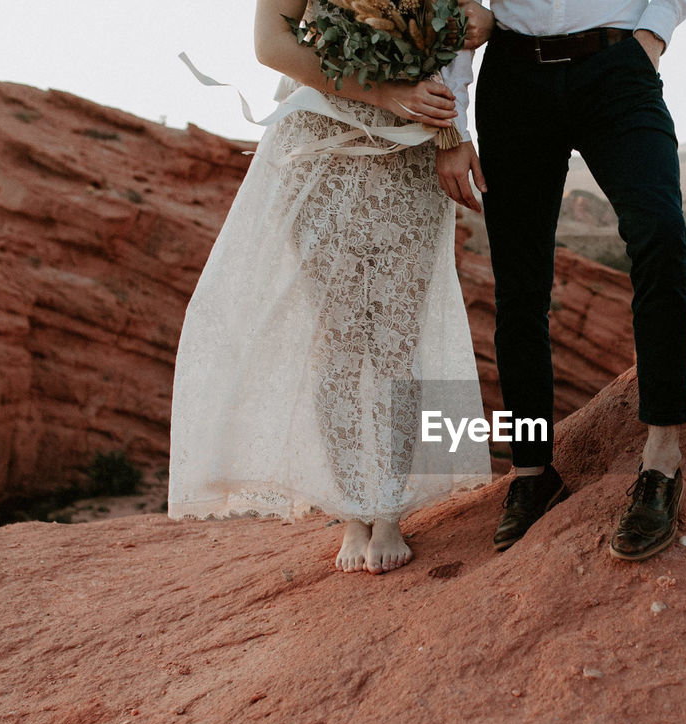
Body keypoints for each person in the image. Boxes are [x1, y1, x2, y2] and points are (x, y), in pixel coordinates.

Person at [167, 0, 496, 573]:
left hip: (411, 146)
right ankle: (352, 510)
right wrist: (379, 92)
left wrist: (455, 126)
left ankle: (390, 508)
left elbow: (458, 44)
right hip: (326, 142)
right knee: (340, 334)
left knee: (398, 334)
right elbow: (271, 42)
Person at [437, 0, 686, 561]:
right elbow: (453, 9)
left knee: (661, 234)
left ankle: (661, 461)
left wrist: (650, 39)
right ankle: (532, 472)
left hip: (617, 66)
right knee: (519, 280)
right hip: (514, 78)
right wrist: (452, 128)